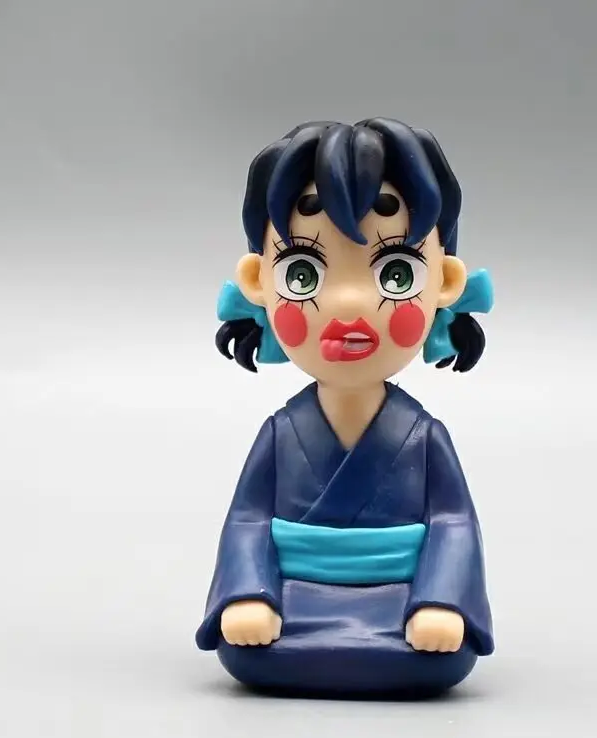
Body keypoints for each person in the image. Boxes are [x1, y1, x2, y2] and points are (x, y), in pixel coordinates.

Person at [195, 118, 495, 698]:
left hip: (402, 604)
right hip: (291, 603)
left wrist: (439, 601)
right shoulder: (281, 433)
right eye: (303, 273)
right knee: (247, 642)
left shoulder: (424, 437)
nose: (349, 304)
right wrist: (249, 595)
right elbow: (248, 521)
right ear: (258, 280)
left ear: (444, 282)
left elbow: (453, 524)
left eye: (396, 274)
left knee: (441, 650)